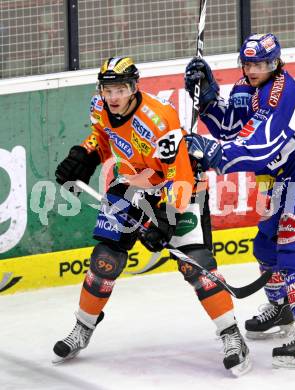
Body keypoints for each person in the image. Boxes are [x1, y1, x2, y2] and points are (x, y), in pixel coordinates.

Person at [52, 56, 251, 376]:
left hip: (179, 187)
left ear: (133, 88)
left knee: (195, 265)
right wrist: (84, 156)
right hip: (131, 184)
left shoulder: (160, 118)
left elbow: (179, 174)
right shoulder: (100, 106)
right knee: (105, 259)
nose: (113, 96)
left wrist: (165, 221)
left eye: (119, 89)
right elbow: (103, 137)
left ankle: (231, 335)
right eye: (107, 89)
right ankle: (83, 327)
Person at [184, 33, 295, 368]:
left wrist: (213, 154)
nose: (254, 70)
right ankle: (283, 306)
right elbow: (231, 128)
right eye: (249, 63)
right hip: (286, 176)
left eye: (262, 64)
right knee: (266, 247)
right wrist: (207, 99)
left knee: (292, 250)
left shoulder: (281, 93)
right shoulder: (246, 87)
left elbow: (262, 149)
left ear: (276, 63)